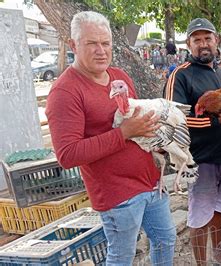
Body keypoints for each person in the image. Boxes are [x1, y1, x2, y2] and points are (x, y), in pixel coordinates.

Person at [45, 11, 176, 265]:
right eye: (91, 43)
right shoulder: (65, 91)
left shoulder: (119, 76)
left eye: (106, 43)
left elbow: (136, 118)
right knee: (121, 256)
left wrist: (154, 142)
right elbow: (67, 154)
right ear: (73, 45)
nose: (101, 50)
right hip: (117, 193)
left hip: (150, 182)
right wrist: (124, 133)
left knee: (166, 239)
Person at [164, 18, 221, 265]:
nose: (203, 44)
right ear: (189, 44)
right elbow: (175, 119)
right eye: (197, 40)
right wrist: (218, 122)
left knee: (218, 211)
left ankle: (218, 252)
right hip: (201, 160)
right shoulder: (180, 76)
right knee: (199, 217)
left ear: (217, 41)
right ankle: (201, 262)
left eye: (208, 38)